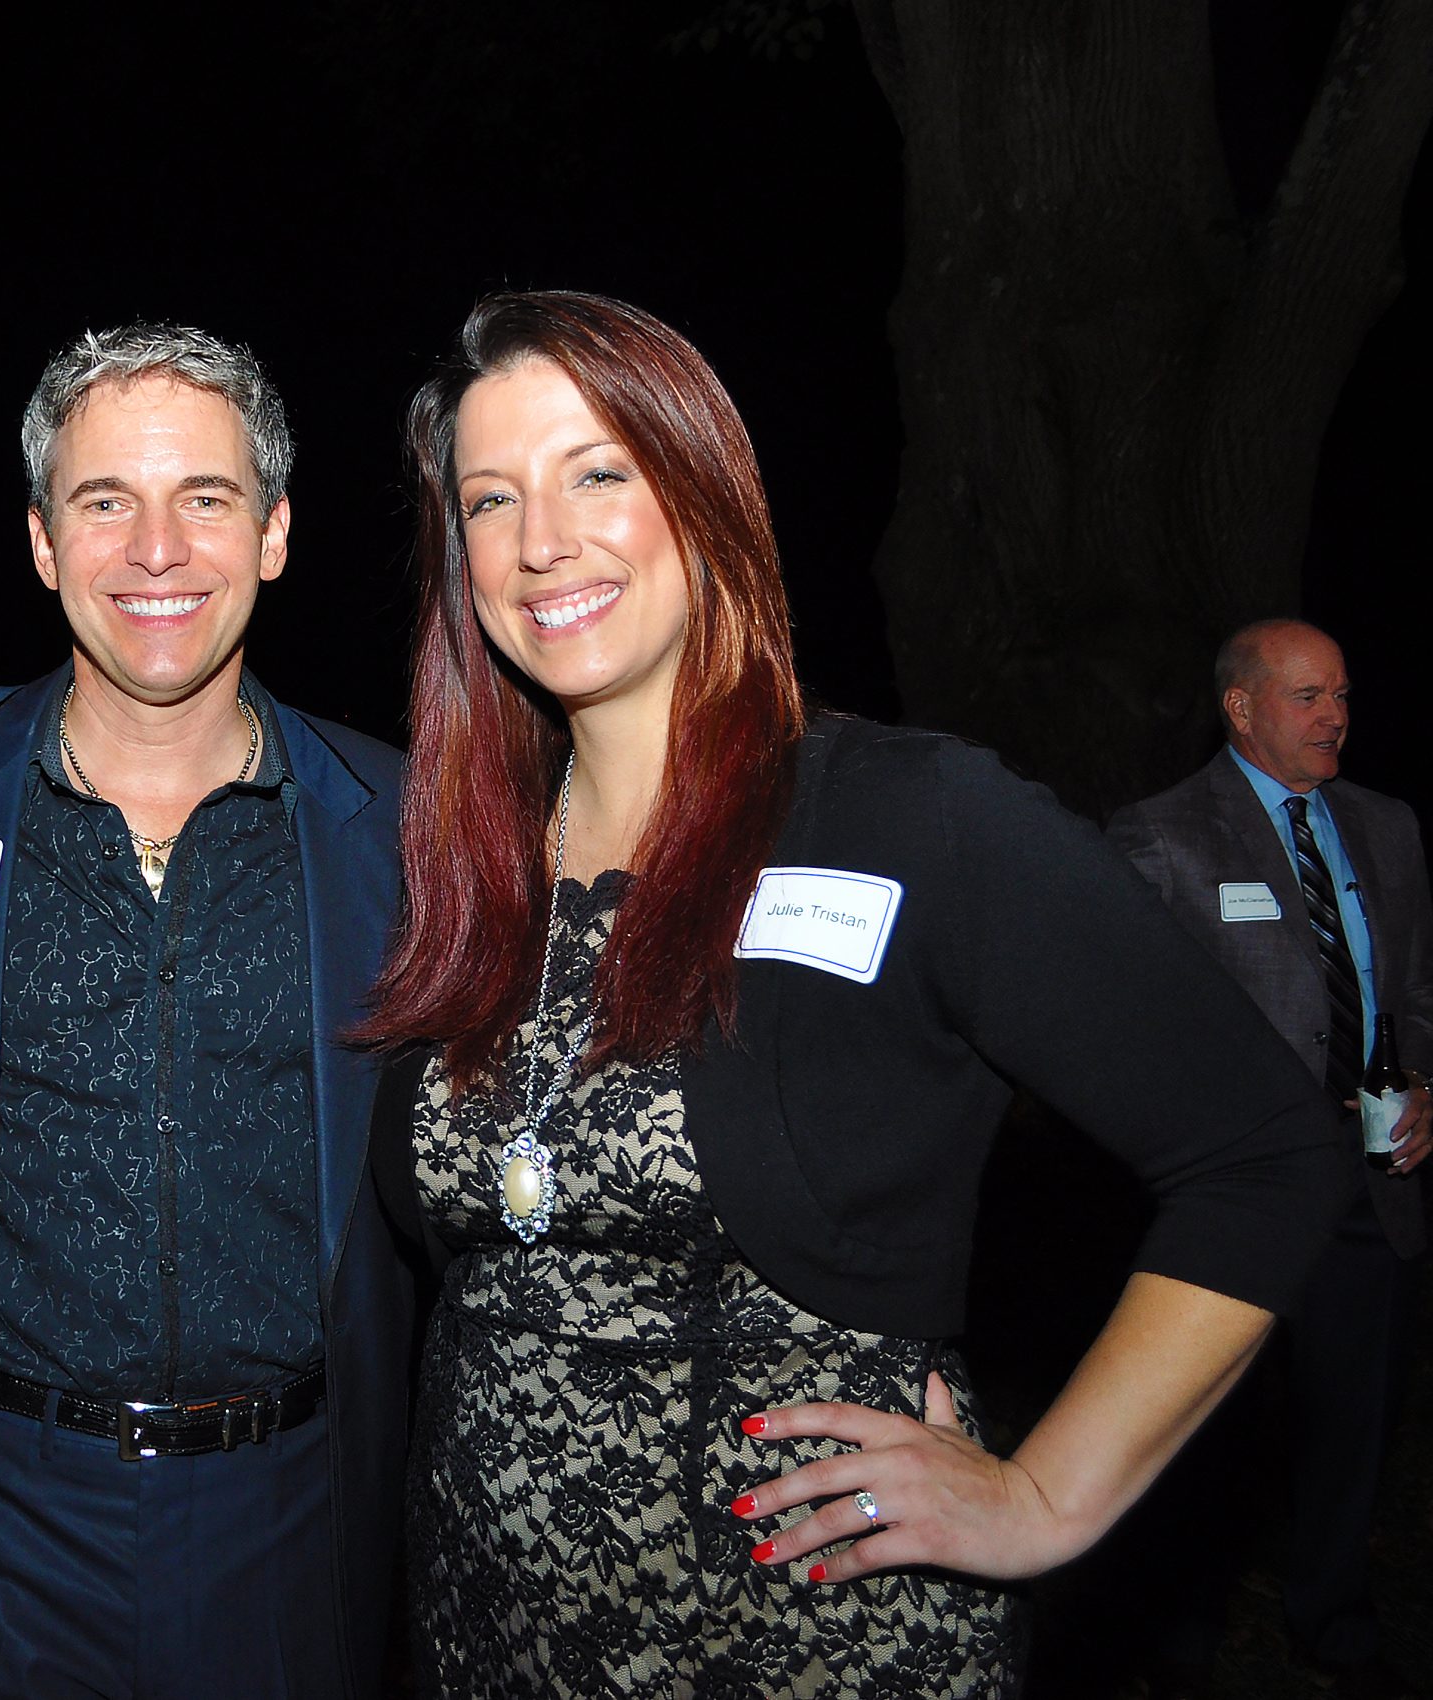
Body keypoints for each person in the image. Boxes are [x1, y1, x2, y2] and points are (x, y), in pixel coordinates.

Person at [355, 291, 1348, 1698]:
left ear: (702, 494)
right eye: (488, 499)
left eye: (598, 473)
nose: (541, 540)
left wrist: (1046, 1495)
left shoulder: (906, 815)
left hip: (805, 1641)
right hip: (485, 1633)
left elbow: (1263, 1155)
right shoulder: (465, 870)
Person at [0, 324, 413, 1699]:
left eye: (204, 499)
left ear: (273, 533)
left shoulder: (404, 825)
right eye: (105, 500)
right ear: (43, 542)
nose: (155, 550)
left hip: (295, 1518)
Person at [1104, 618, 1429, 1700]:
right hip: (1232, 1188)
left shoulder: (1386, 826)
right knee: (1207, 1422)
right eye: (1307, 696)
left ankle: (1332, 1621)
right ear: (1240, 707)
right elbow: (1123, 1024)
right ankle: (1178, 1636)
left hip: (1370, 1178)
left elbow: (1414, 990)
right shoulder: (1160, 835)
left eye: (1342, 695)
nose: (1335, 716)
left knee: (1354, 1416)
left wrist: (1424, 1081)